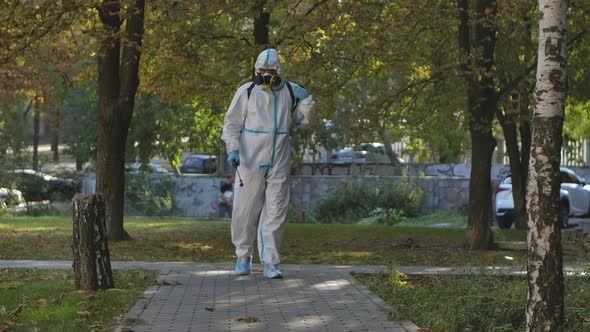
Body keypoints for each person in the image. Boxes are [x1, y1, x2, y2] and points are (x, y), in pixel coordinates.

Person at [222, 48, 316, 279]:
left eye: (270, 71)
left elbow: (305, 122)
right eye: (262, 71)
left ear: (278, 71)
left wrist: (307, 102)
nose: (265, 75)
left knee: (276, 211)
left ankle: (271, 262)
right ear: (256, 70)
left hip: (279, 159)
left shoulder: (290, 93)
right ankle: (243, 256)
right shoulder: (247, 92)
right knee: (244, 210)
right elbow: (231, 124)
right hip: (249, 159)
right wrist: (233, 149)